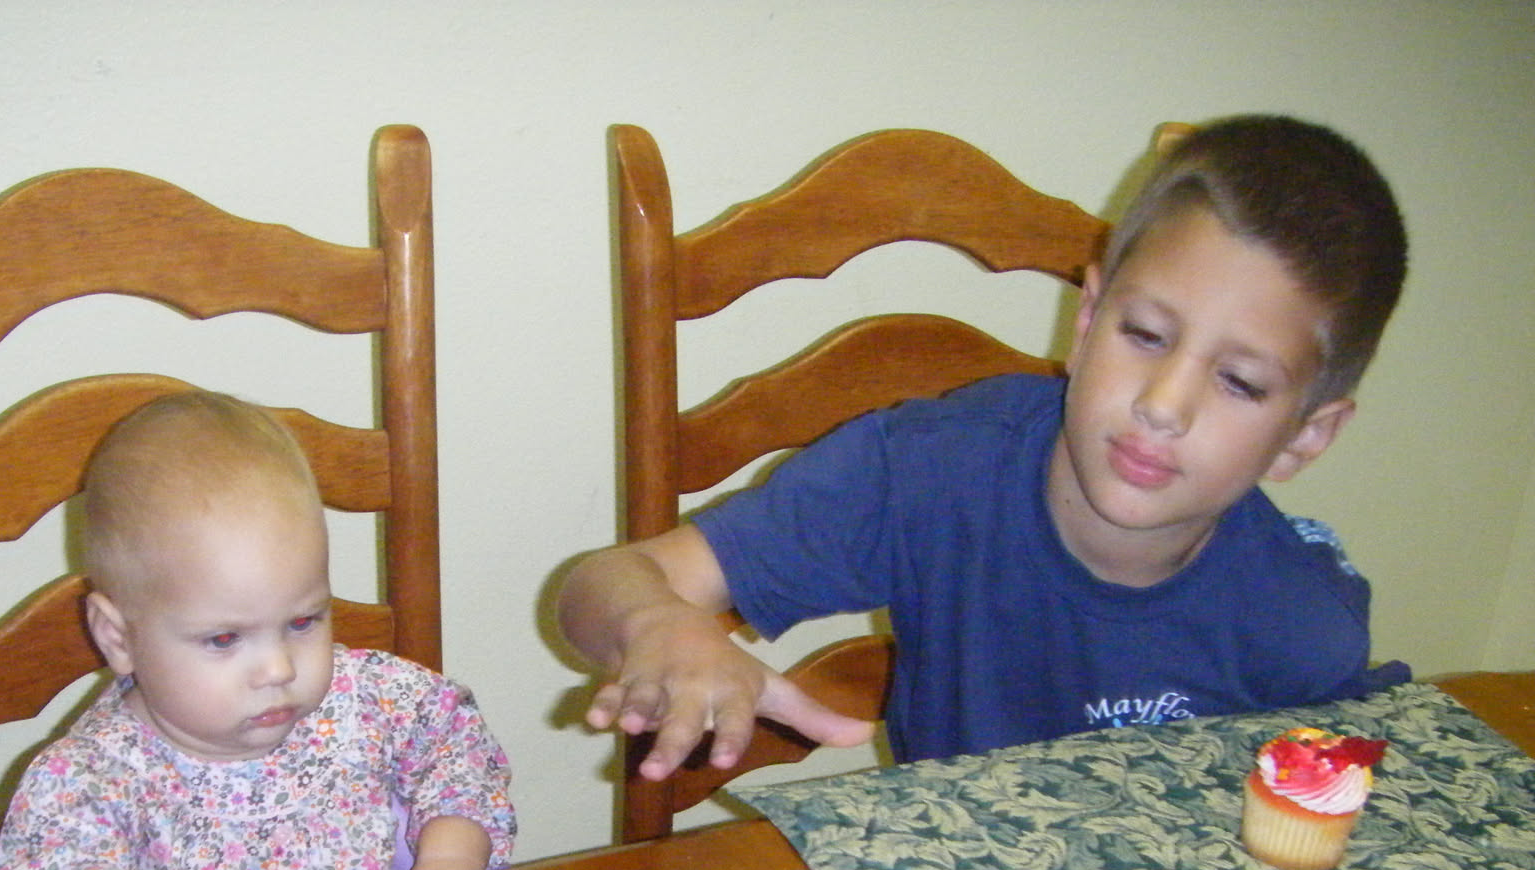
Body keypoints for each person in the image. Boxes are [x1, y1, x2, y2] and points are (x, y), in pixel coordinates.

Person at [558, 114, 1412, 781]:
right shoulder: (927, 473)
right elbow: (603, 583)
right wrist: (656, 622)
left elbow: (1341, 794)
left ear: (1306, 436)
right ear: (1087, 320)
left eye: (1240, 383)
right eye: (1146, 335)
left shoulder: (1303, 623)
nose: (1163, 405)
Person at [0, 391, 515, 870]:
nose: (279, 669)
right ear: (118, 639)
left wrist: (447, 863)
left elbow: (454, 742)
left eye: (302, 622)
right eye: (224, 639)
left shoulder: (363, 699)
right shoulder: (88, 778)